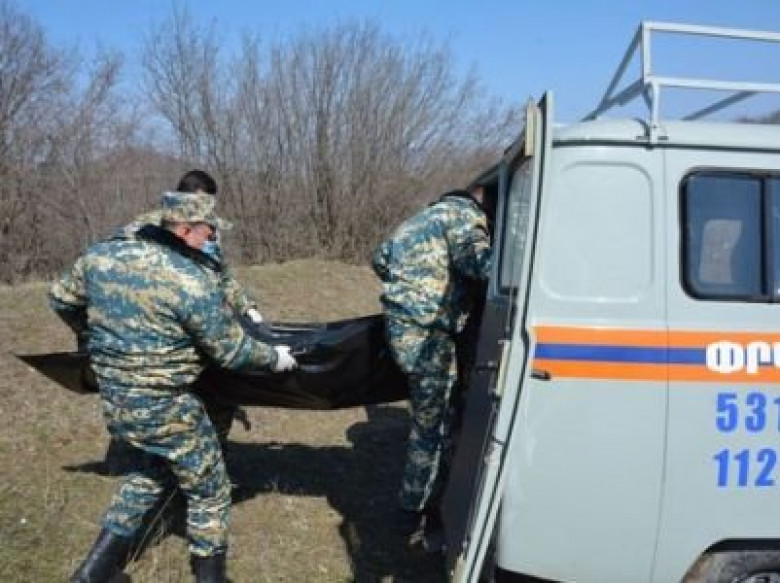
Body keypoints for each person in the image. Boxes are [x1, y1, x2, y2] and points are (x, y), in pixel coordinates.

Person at [51, 190, 298, 582]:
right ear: (184, 230)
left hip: (117, 400)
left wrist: (93, 335)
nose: (212, 237)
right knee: (210, 490)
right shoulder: (187, 279)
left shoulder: (101, 256)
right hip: (167, 405)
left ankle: (93, 573)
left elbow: (60, 299)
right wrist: (275, 358)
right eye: (207, 230)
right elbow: (232, 351)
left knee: (152, 473)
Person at [371, 185, 492, 542]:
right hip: (428, 335)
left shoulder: (419, 219)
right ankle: (415, 510)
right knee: (434, 426)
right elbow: (482, 266)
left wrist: (411, 287)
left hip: (400, 327)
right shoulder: (465, 217)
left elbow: (379, 259)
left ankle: (423, 499)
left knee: (430, 414)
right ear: (479, 201)